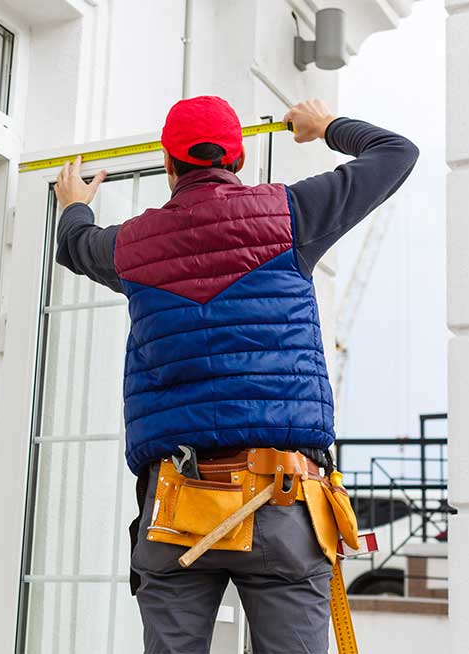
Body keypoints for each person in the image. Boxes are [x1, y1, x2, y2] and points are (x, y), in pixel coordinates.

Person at [53, 96, 418, 654]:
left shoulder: (130, 246)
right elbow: (396, 152)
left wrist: (75, 204)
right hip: (284, 498)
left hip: (175, 505)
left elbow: (76, 246)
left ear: (169, 166)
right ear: (240, 158)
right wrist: (325, 127)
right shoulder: (293, 214)